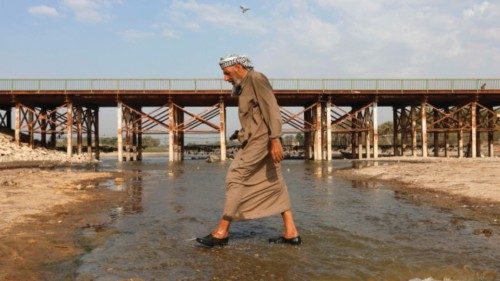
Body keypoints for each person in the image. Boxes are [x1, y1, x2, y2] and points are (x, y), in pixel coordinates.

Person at [196, 54, 301, 247]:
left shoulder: (256, 79)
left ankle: (221, 232)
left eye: (227, 73)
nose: (225, 78)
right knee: (274, 181)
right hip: (256, 138)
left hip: (262, 140)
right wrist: (240, 133)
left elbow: (272, 109)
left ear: (238, 67)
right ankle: (291, 232)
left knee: (236, 176)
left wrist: (275, 139)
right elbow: (255, 114)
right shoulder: (244, 86)